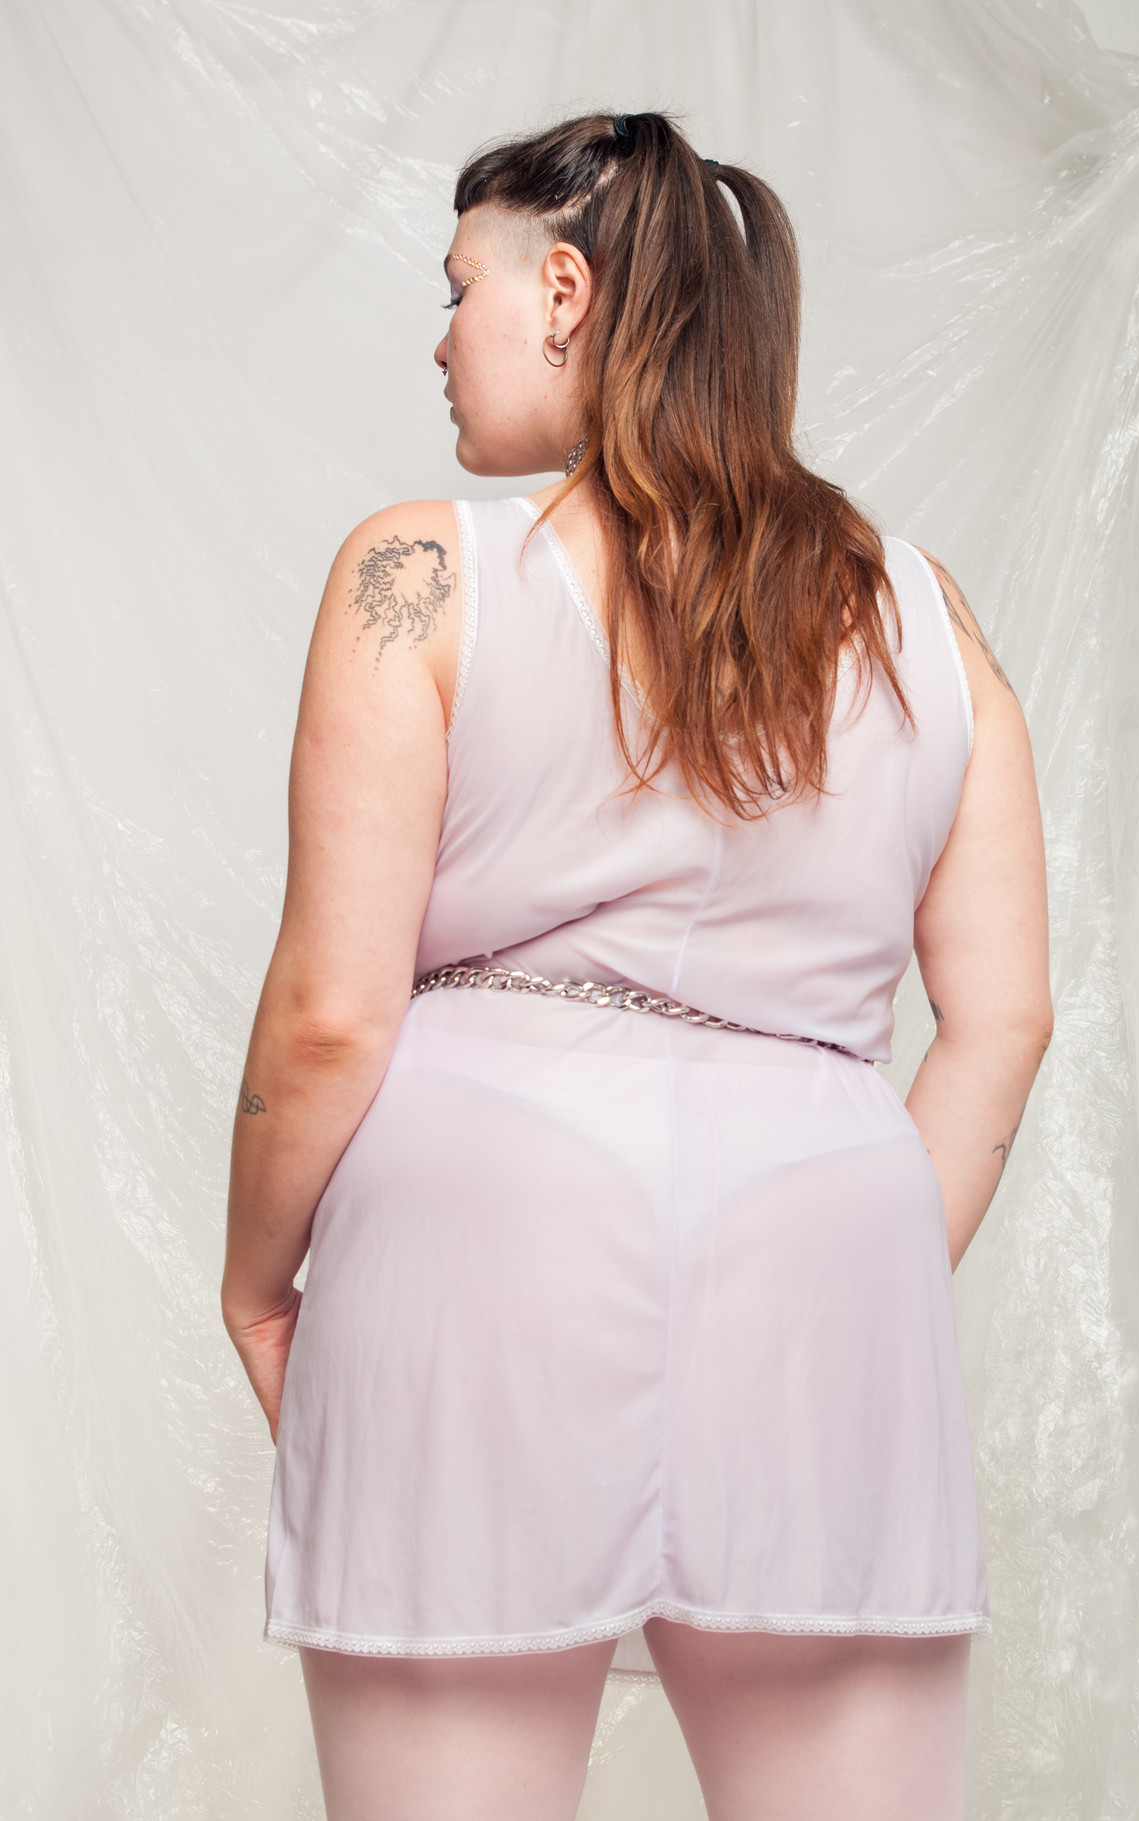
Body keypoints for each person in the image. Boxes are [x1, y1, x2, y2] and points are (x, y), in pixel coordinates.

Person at [222, 110, 1052, 1821]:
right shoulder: (930, 619)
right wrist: (857, 1256)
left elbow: (329, 1016)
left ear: (565, 290)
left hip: (479, 1241)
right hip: (825, 1249)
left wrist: (255, 1283)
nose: (441, 339)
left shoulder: (417, 576)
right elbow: (1005, 1019)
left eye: (458, 288)